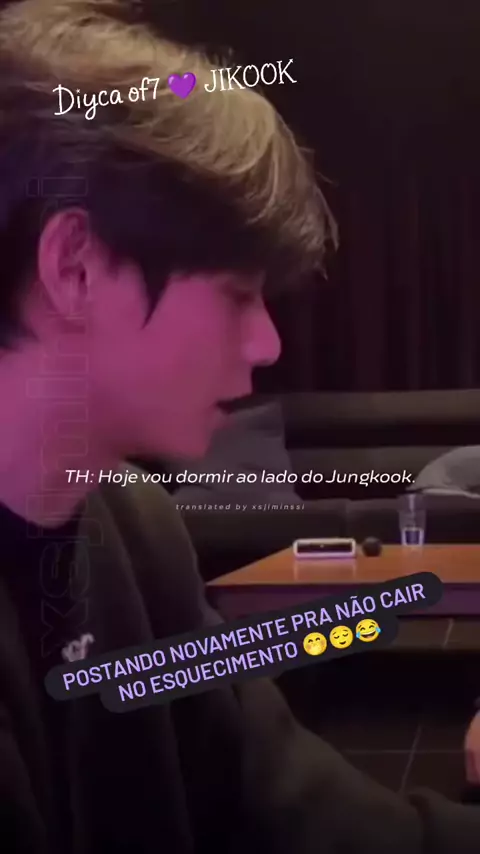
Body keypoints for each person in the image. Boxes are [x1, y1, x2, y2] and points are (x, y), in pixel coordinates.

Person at [0, 1, 479, 852]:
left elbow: (305, 818)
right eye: (236, 294)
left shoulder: (136, 529)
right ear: (74, 267)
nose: (268, 343)